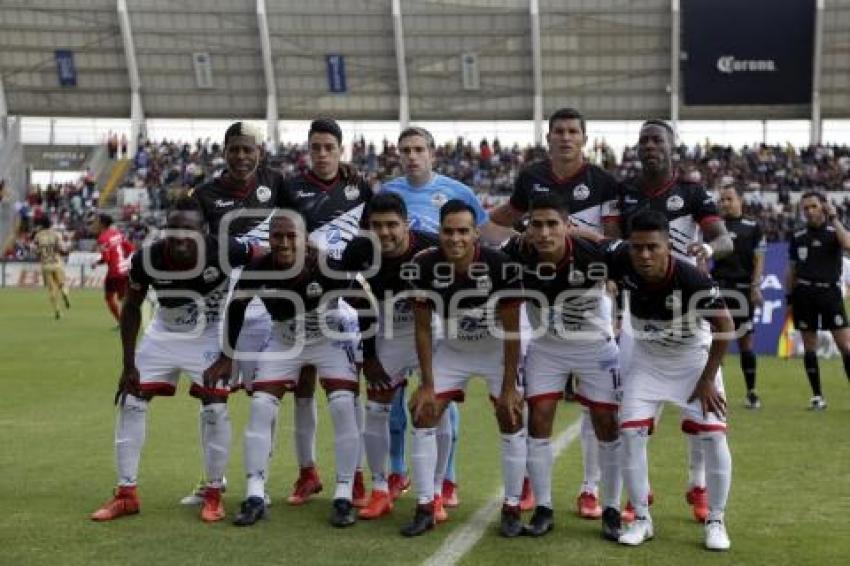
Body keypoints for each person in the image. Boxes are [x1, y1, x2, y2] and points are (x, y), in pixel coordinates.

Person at [89, 197, 257, 523]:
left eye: (189, 229)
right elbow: (133, 307)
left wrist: (228, 355)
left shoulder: (228, 250)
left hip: (209, 334)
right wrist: (128, 365)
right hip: (163, 333)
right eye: (173, 228)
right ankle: (126, 494)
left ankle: (213, 494)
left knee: (215, 404)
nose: (180, 236)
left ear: (204, 231)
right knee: (132, 399)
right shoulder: (148, 258)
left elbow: (266, 257)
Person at [490, 107, 621, 520]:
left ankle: (593, 489)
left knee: (598, 413)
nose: (565, 138)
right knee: (539, 412)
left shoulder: (603, 181)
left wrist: (581, 237)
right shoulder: (530, 177)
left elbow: (615, 241)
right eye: (558, 131)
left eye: (572, 132)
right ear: (548, 137)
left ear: (584, 138)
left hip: (589, 297)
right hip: (542, 313)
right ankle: (536, 494)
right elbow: (497, 224)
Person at [382, 126, 514, 508]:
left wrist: (524, 240)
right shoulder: (389, 192)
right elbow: (374, 237)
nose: (411, 156)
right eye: (405, 149)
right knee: (391, 400)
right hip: (395, 306)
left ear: (432, 153)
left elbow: (488, 235)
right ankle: (396, 472)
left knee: (440, 394)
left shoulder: (459, 191)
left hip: (440, 306)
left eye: (418, 149)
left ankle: (448, 478)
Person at [203, 212, 360, 528]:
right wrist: (227, 356)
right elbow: (236, 308)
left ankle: (344, 495)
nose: (285, 242)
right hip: (283, 338)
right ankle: (255, 494)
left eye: (292, 236)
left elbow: (361, 300)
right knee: (260, 407)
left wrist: (367, 357)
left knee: (343, 405)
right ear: (269, 238)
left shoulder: (327, 265)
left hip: (327, 338)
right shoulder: (257, 269)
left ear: (305, 239)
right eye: (278, 236)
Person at [614, 120, 733, 524]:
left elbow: (724, 239)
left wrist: (707, 246)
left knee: (700, 409)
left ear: (671, 147)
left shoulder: (692, 191)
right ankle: (639, 494)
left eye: (657, 139)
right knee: (631, 410)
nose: (650, 146)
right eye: (644, 139)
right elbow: (612, 241)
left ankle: (698, 486)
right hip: (641, 313)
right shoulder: (625, 191)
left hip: (688, 305)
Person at [181, 121, 296, 506]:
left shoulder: (277, 183)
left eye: (249, 149)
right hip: (221, 309)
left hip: (270, 309)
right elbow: (197, 239)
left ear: (259, 151)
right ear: (224, 150)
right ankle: (213, 480)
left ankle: (258, 480)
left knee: (265, 397)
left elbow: (309, 207)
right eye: (235, 149)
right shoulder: (205, 195)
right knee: (213, 398)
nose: (242, 156)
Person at [609, 210, 734, 551]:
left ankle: (716, 521)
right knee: (630, 434)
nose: (644, 255)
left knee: (713, 438)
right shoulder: (621, 259)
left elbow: (724, 327)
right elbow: (589, 243)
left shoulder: (692, 279)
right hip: (648, 363)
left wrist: (708, 380)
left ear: (668, 247)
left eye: (653, 247)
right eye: (638, 248)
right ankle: (642, 520)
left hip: (694, 364)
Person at [501, 194, 623, 540]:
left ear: (568, 226)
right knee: (538, 420)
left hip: (594, 347)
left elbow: (630, 256)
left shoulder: (593, 254)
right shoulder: (516, 253)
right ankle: (543, 508)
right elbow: (483, 252)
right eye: (536, 224)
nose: (544, 232)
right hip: (547, 347)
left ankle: (611, 509)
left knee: (606, 423)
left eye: (552, 224)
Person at [401, 200, 525, 537]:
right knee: (424, 412)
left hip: (497, 349)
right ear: (439, 232)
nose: (455, 238)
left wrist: (511, 386)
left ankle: (513, 507)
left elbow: (514, 330)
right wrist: (427, 383)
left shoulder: (501, 265)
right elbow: (424, 328)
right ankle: (426, 505)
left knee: (511, 416)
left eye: (463, 231)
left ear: (475, 234)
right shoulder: (423, 265)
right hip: (454, 350)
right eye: (448, 231)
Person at [282, 118, 374, 508]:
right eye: (315, 147)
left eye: (329, 148)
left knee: (345, 390)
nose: (322, 154)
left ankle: (352, 476)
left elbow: (371, 238)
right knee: (301, 388)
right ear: (308, 148)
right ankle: (308, 472)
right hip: (302, 297)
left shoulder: (360, 188)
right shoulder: (291, 187)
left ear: (341, 150)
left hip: (346, 299)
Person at [338, 193, 439, 519]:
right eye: (377, 226)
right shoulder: (359, 249)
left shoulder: (431, 247)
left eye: (392, 225)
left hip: (432, 331)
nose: (385, 233)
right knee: (376, 408)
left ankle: (436, 491)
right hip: (388, 333)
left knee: (435, 407)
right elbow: (337, 283)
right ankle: (380, 489)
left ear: (406, 224)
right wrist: (368, 355)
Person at [786, 192, 850, 410]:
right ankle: (817, 396)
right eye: (806, 208)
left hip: (830, 293)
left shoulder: (834, 232)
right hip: (804, 293)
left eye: (813, 206)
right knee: (809, 347)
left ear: (823, 207)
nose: (809, 211)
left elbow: (848, 245)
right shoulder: (798, 236)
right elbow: (792, 269)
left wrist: (834, 218)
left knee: (846, 346)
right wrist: (789, 296)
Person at [713, 185, 766, 409]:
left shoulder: (753, 227)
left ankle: (751, 392)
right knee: (716, 339)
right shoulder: (715, 226)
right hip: (718, 288)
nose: (725, 203)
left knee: (745, 341)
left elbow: (759, 259)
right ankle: (715, 392)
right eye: (722, 199)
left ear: (740, 200)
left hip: (742, 289)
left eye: (729, 199)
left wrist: (755, 286)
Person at [90, 213, 135, 325]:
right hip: (124, 270)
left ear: (102, 224)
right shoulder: (117, 233)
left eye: (97, 221)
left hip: (114, 272)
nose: (95, 223)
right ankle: (126, 321)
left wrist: (96, 262)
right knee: (120, 297)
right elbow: (130, 248)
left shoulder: (102, 238)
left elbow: (106, 258)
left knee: (111, 298)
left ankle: (124, 322)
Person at [32, 216, 70, 319]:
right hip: (57, 263)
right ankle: (64, 293)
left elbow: (34, 250)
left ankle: (57, 310)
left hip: (45, 265)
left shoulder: (38, 236)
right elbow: (62, 248)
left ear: (41, 225)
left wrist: (39, 253)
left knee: (51, 289)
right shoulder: (56, 234)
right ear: (50, 224)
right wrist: (65, 251)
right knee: (62, 283)